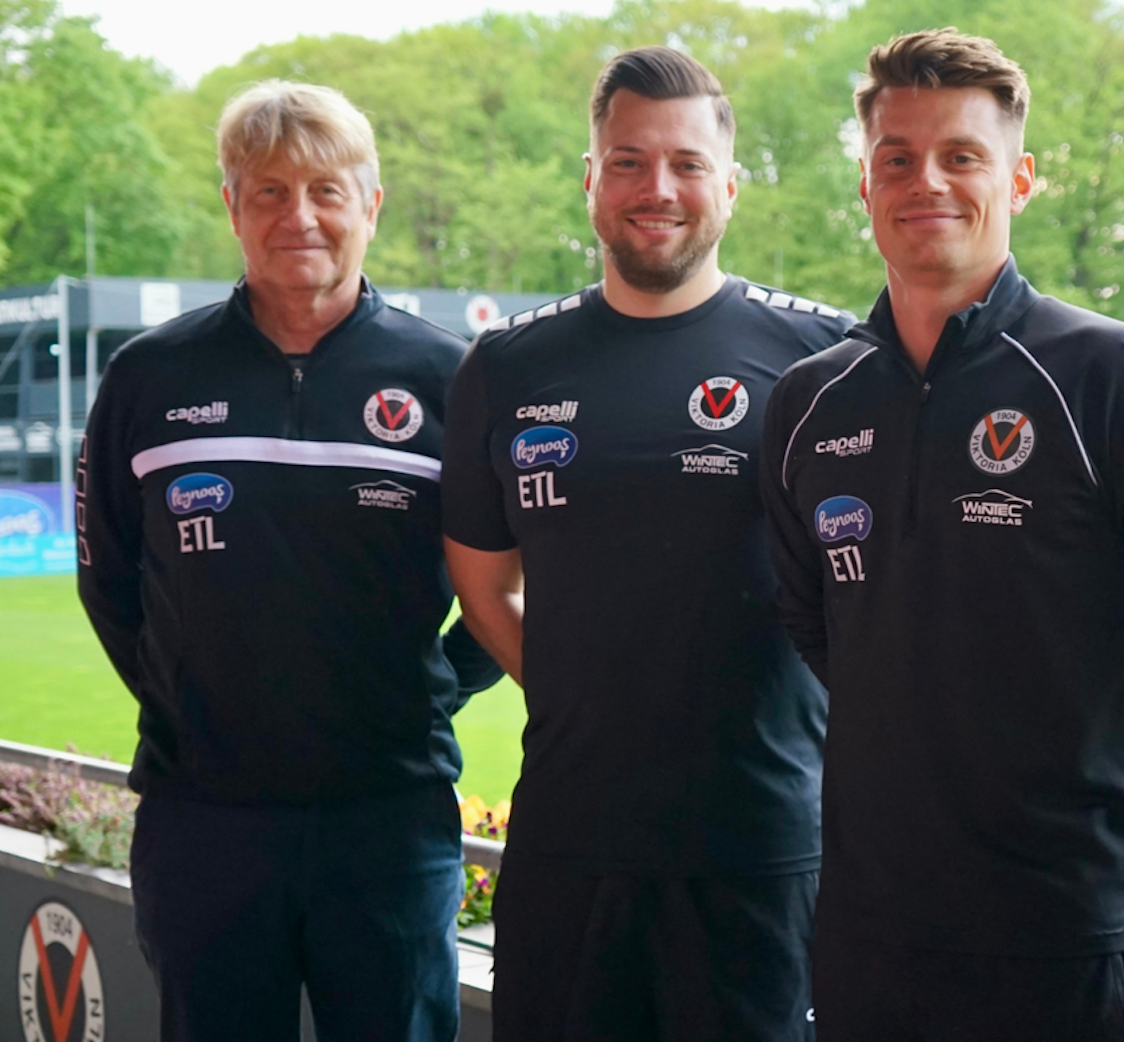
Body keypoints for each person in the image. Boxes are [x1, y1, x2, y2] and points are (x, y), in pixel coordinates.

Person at [759, 29, 1124, 1041]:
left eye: (961, 156)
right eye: (896, 157)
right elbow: (819, 624)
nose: (925, 180)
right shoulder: (808, 402)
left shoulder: (1112, 377)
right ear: (864, 185)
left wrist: (1108, 776)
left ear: (1018, 179)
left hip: (1067, 932)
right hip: (871, 933)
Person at [442, 47, 851, 1042]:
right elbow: (482, 583)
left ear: (730, 186)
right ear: (589, 178)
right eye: (626, 161)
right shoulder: (505, 367)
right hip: (571, 846)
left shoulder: (826, 359)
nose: (655, 188)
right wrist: (581, 686)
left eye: (685, 164)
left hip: (762, 846)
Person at [76, 80, 499, 1041]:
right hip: (203, 822)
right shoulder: (149, 375)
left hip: (389, 819)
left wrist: (434, 687)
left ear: (371, 204)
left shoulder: (455, 379)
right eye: (267, 191)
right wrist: (190, 704)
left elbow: (513, 581)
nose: (298, 216)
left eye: (324, 189)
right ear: (231, 207)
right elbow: (107, 577)